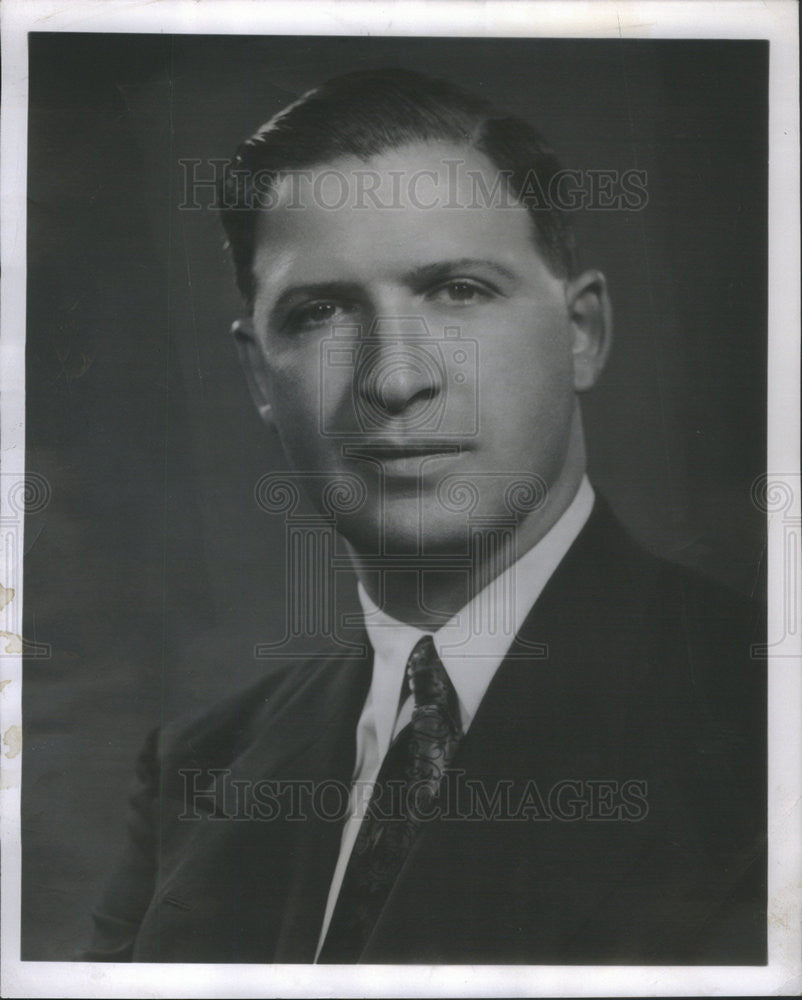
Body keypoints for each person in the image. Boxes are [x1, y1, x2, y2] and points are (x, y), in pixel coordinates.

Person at [83, 68, 766, 965]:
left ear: (582, 333)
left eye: (459, 291)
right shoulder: (197, 772)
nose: (396, 378)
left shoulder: (763, 719)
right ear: (260, 375)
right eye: (322, 311)